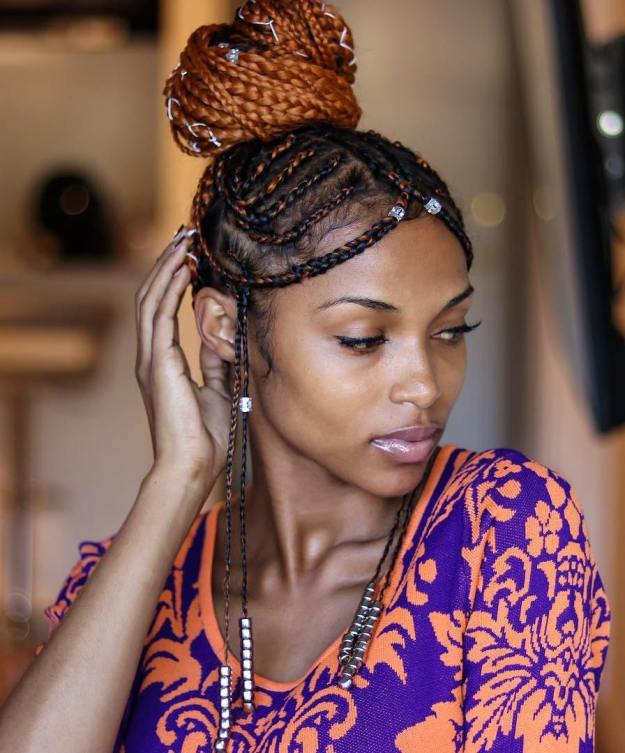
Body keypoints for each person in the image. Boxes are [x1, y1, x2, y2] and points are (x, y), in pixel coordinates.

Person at [0, 2, 611, 752]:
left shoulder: (502, 533)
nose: (424, 383)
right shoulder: (132, 580)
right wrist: (176, 481)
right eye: (363, 339)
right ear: (226, 328)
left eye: (451, 330)